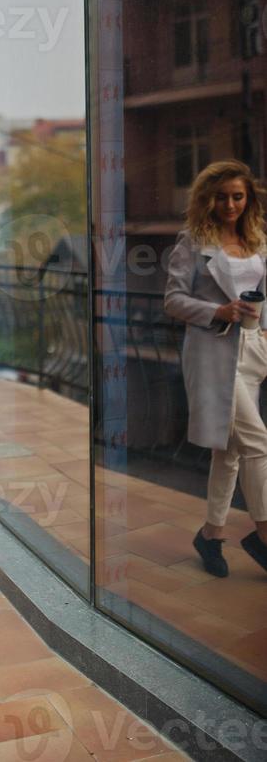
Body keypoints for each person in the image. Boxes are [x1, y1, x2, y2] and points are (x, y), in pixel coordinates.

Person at [164, 159, 267, 578]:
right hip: (213, 352)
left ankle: (211, 534)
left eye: (238, 196)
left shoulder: (259, 238)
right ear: (208, 199)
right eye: (222, 196)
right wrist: (218, 310)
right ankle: (263, 535)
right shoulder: (192, 240)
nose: (230, 204)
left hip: (253, 353)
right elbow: (172, 300)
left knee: (230, 453)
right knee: (258, 441)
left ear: (249, 198)